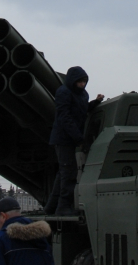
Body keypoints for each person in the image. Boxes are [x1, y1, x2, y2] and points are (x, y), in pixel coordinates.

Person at [44, 66, 104, 216]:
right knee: (69, 173)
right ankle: (63, 207)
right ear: (73, 81)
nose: (82, 84)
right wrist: (79, 138)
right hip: (63, 138)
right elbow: (64, 117)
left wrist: (95, 103)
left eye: (84, 81)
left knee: (63, 173)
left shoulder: (83, 95)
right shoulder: (64, 92)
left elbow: (82, 110)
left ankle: (52, 207)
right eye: (80, 81)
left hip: (71, 138)